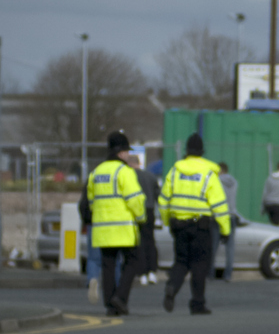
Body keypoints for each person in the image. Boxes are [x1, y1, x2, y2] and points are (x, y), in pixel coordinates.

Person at [160, 133, 230, 315]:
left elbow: (163, 199)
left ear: (187, 151)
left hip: (179, 225)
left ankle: (172, 286)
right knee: (200, 264)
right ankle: (197, 303)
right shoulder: (208, 174)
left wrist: (168, 221)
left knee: (181, 262)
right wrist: (225, 229)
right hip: (200, 226)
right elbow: (219, 204)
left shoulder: (175, 171)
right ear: (202, 152)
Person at [86, 131, 145, 316]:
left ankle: (110, 306)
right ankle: (120, 298)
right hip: (124, 229)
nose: (128, 155)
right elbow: (135, 199)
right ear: (121, 153)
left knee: (108, 266)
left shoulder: (95, 173)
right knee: (132, 262)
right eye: (127, 151)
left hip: (103, 230)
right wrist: (142, 218)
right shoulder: (124, 172)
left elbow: (91, 201)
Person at [130, 156, 160, 285]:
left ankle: (141, 273)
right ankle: (152, 272)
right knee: (150, 241)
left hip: (135, 211)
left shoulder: (129, 177)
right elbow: (159, 196)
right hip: (150, 210)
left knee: (138, 243)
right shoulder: (151, 176)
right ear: (139, 163)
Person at [216, 162, 239, 281]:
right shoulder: (234, 182)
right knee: (230, 247)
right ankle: (228, 274)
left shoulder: (217, 181)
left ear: (220, 170)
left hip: (219, 215)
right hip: (232, 215)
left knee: (213, 245)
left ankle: (209, 274)